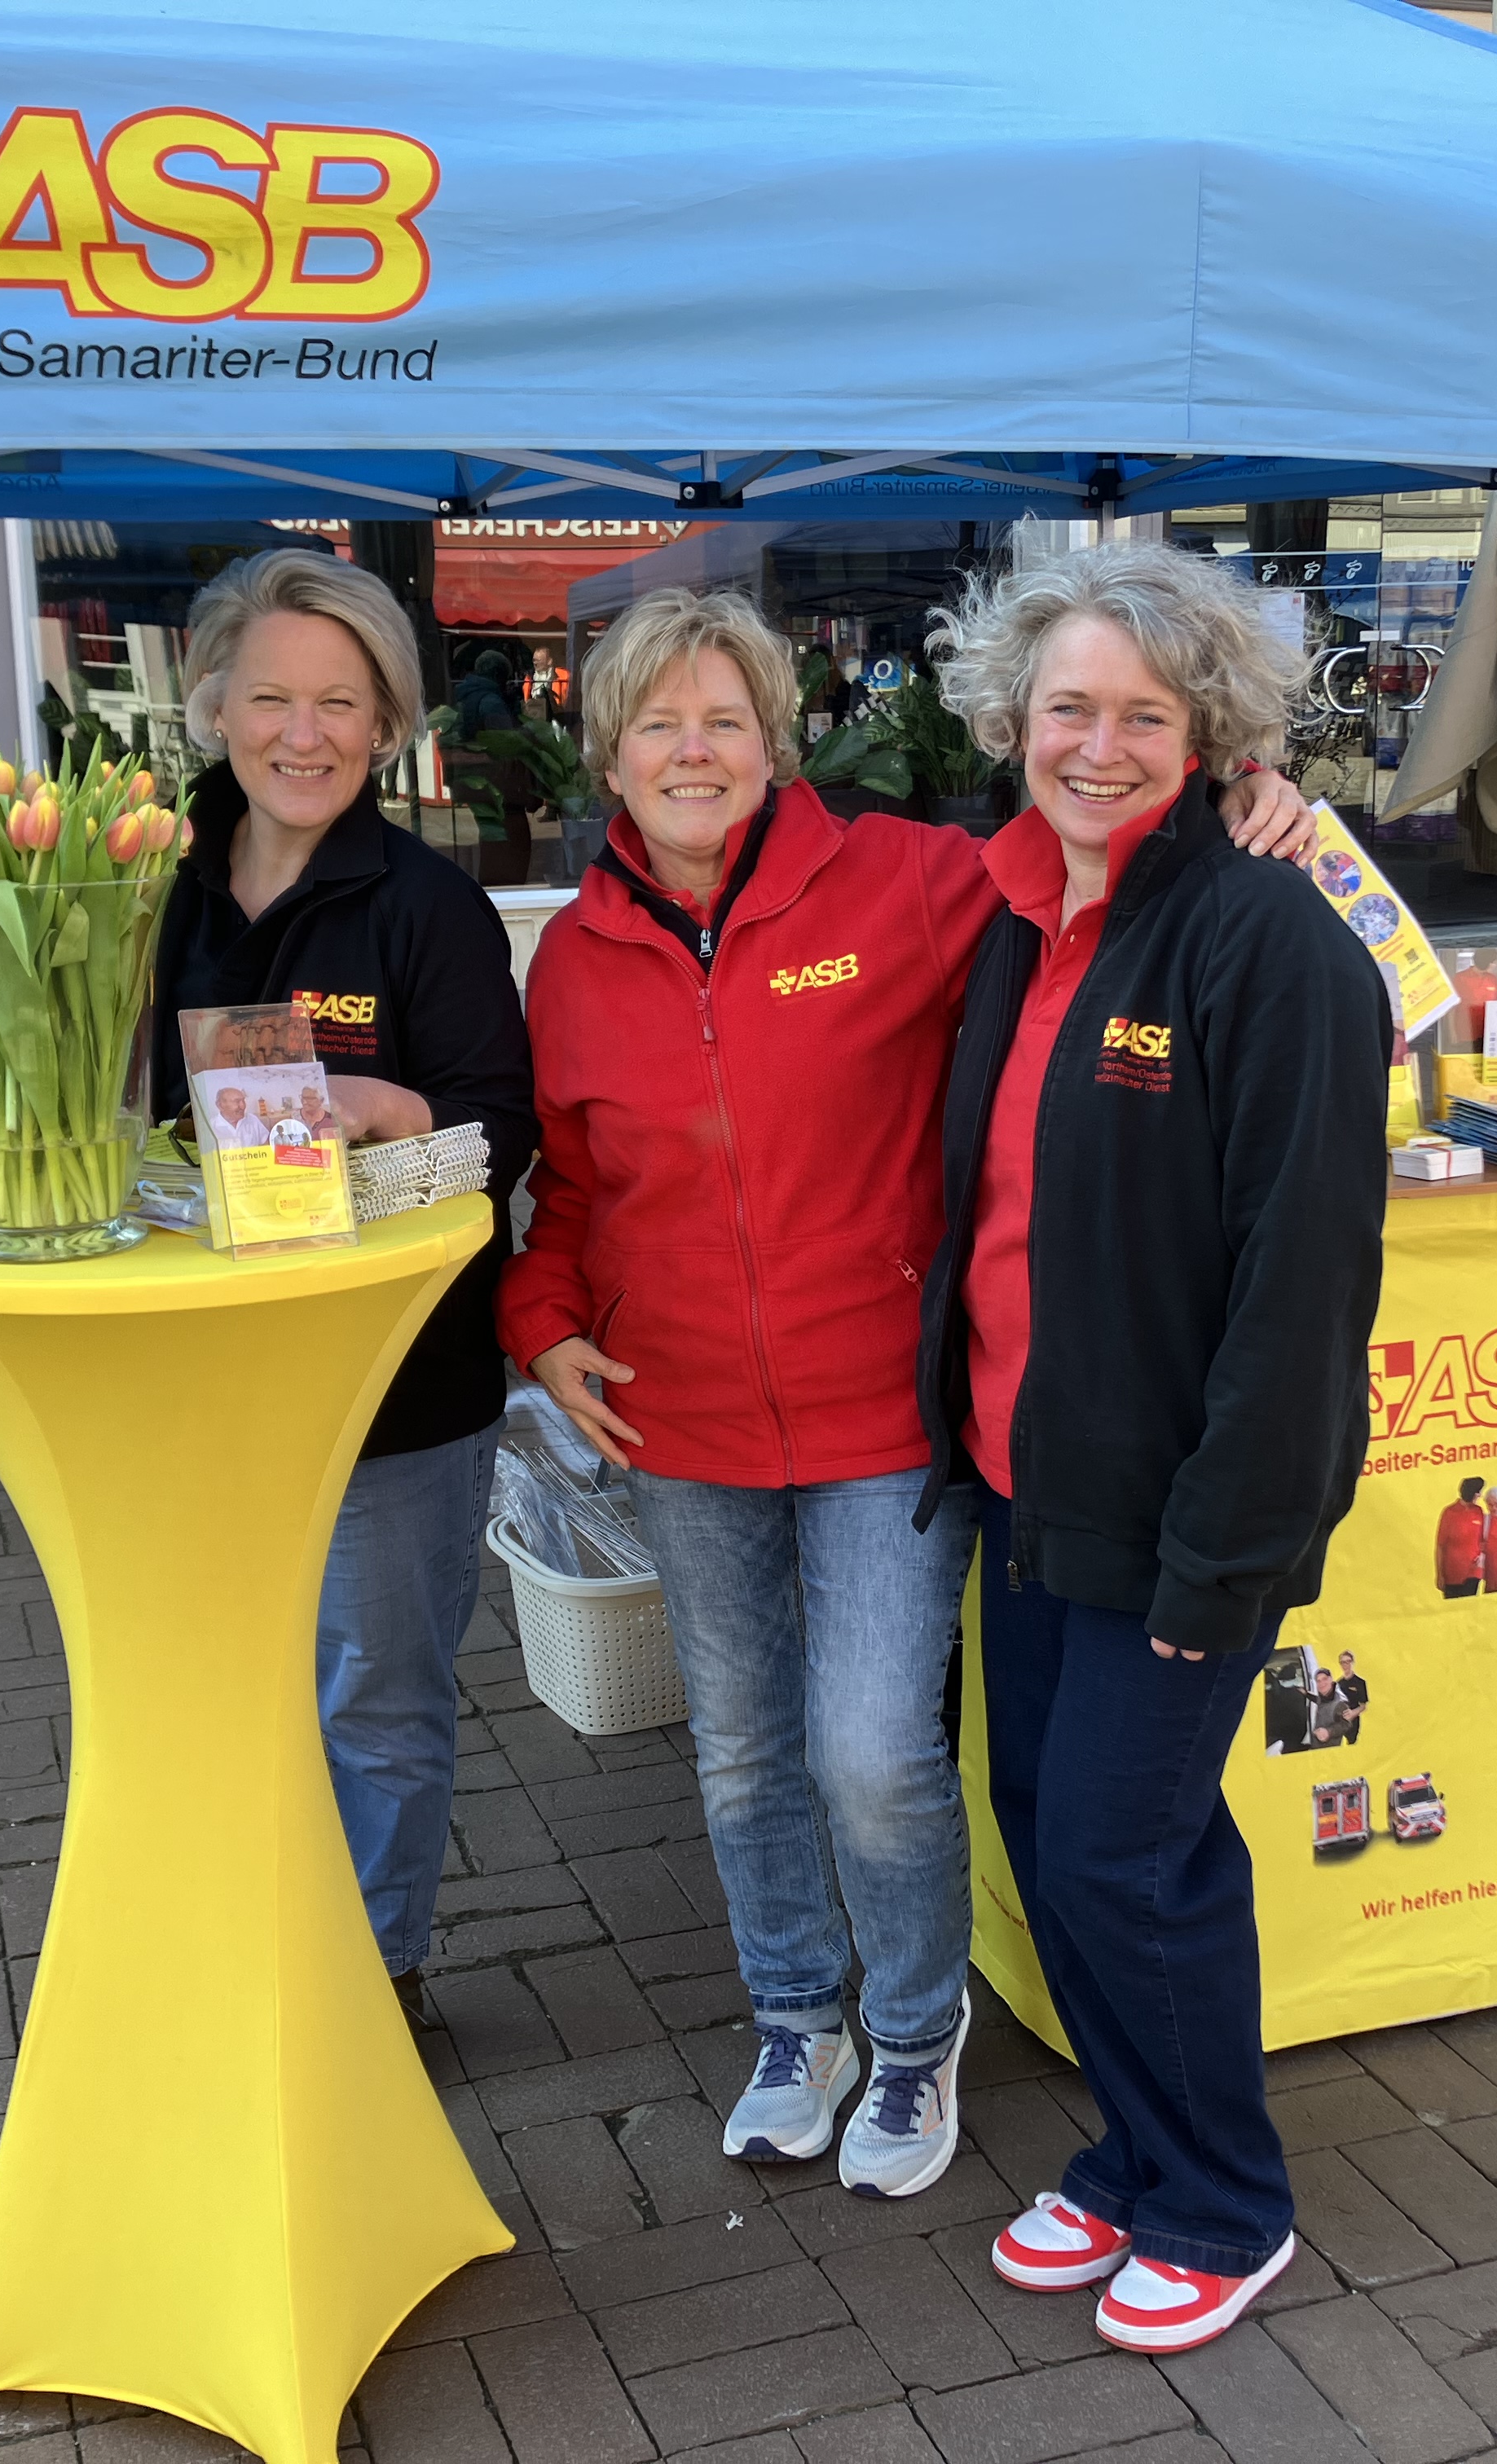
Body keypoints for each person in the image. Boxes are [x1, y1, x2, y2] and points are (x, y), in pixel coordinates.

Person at [503, 587, 1314, 2200]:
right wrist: (539, 1326)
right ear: (607, 752)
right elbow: (569, 1190)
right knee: (740, 1757)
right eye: (659, 722)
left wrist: (1256, 800)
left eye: (726, 719)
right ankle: (798, 2017)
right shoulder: (576, 963)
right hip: (686, 1424)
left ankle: (919, 2028)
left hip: (888, 1419)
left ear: (777, 740)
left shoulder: (914, 883)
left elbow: (1103, 843)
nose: (694, 750)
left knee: (875, 1751)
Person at [914, 535, 1387, 2353]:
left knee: (1134, 1855)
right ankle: (1138, 2145)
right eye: (1066, 709)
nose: (1096, 747)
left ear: (1214, 737)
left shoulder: (1274, 944)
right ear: (1011, 719)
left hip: (1182, 1518)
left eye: (1142, 715)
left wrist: (1231, 1556)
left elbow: (1300, 1293)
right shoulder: (1015, 919)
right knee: (1045, 1836)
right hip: (1029, 1487)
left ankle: (1225, 2199)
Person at [149, 548, 537, 2022]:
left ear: (384, 727)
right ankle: (247, 1943)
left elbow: (504, 1128)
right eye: (271, 697)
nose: (302, 733)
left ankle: (372, 1985)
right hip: (196, 1370)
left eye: (339, 702)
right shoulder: (151, 886)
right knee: (226, 1680)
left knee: (378, 1698)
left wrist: (389, 1114)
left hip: (395, 1384)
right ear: (214, 707)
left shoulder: (425, 906)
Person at [1435, 1476, 1487, 1599]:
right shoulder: (1449, 1513)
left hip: (1473, 1572)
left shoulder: (1479, 1512)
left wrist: (1482, 1556)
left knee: (1469, 1607)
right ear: (1473, 1494)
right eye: (1479, 1493)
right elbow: (1440, 1546)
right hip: (1452, 1572)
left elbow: (1484, 1540)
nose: (1480, 1496)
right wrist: (1440, 1574)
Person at [1333, 1650, 1370, 1745]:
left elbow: (1363, 1706)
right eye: (1342, 1662)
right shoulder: (1338, 1683)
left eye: (1348, 1661)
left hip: (1353, 1723)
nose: (1345, 1665)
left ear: (1352, 1662)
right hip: (1340, 1722)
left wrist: (1353, 1713)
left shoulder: (1360, 1683)